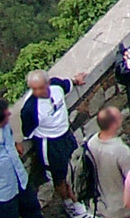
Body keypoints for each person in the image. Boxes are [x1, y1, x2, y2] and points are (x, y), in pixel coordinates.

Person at [19, 69, 89, 218]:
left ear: (48, 83)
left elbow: (68, 84)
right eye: (34, 89)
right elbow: (27, 132)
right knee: (59, 177)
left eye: (40, 87)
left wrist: (77, 79)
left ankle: (79, 196)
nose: (37, 92)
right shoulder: (30, 108)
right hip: (50, 143)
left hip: (65, 134)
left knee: (76, 167)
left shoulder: (56, 86)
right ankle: (70, 204)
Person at [88, 108, 130, 218]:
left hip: (100, 205)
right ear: (114, 125)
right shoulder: (121, 151)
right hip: (122, 208)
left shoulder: (91, 143)